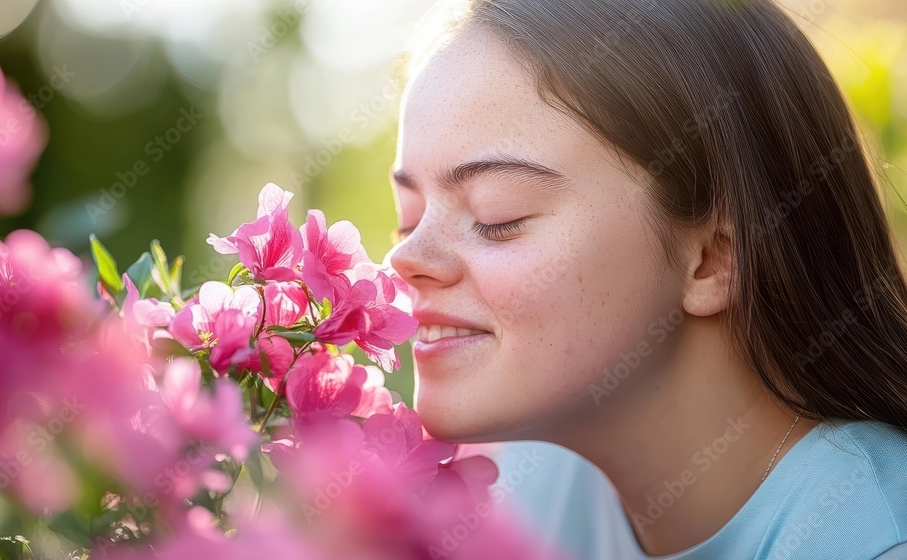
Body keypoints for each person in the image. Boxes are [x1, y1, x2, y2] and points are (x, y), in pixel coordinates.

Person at [383, 0, 907, 558]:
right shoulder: (541, 492)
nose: (406, 257)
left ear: (713, 259)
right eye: (408, 219)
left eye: (497, 217)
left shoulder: (868, 536)